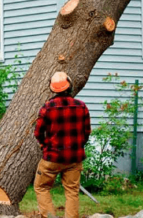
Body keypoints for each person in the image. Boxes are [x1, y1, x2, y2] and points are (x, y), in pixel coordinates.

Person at [34, 72, 91, 218]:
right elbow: (86, 132)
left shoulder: (47, 107)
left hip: (51, 158)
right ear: (70, 86)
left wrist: (44, 146)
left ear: (52, 88)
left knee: (41, 187)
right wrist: (77, 146)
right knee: (72, 191)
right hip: (74, 158)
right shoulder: (81, 106)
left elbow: (38, 133)